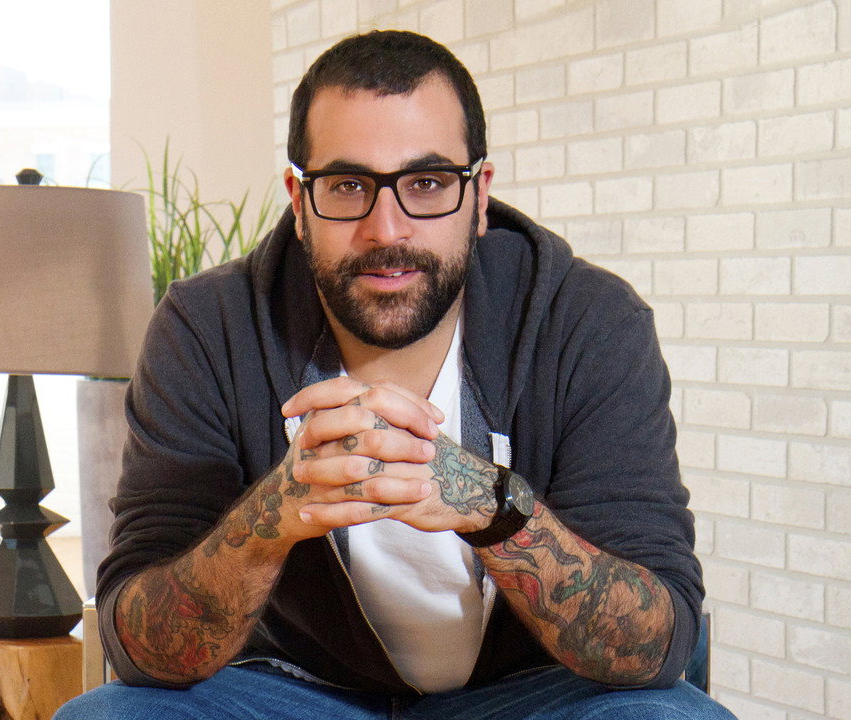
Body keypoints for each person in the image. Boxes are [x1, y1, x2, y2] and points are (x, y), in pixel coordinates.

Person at [55, 30, 735, 720]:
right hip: (292, 692)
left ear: (480, 196)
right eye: (348, 186)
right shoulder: (209, 327)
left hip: (527, 697)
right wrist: (274, 516)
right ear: (299, 201)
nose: (387, 229)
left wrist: (491, 507)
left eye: (428, 184)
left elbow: (654, 646)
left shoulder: (586, 320)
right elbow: (140, 647)